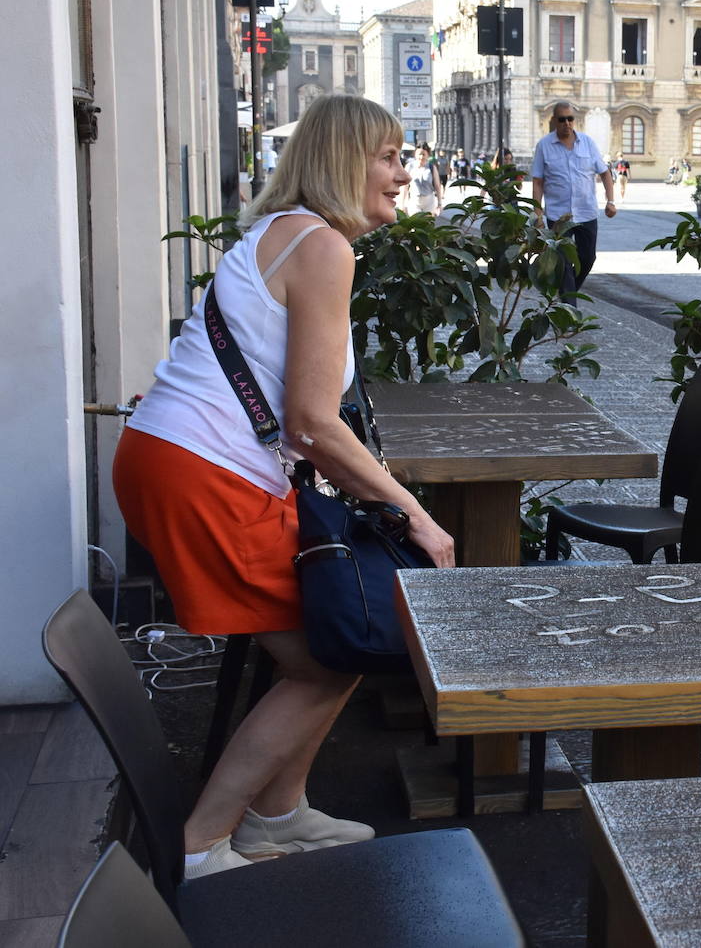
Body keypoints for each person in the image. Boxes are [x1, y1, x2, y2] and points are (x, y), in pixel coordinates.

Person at [113, 94, 456, 880]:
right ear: (342, 160)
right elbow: (311, 421)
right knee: (329, 656)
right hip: (206, 473)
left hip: (174, 458)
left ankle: (280, 811)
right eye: (389, 156)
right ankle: (200, 842)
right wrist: (415, 517)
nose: (404, 174)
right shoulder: (325, 247)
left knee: (339, 638)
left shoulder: (281, 232)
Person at [531, 101, 617, 302]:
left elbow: (605, 173)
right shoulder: (544, 146)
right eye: (562, 119)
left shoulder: (587, 143)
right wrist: (538, 214)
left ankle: (566, 293)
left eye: (570, 119)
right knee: (563, 260)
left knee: (587, 259)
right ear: (554, 121)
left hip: (586, 213)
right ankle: (569, 309)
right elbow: (538, 182)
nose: (567, 123)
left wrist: (611, 201)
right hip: (558, 216)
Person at [403, 144, 442, 216]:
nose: (421, 157)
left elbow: (437, 186)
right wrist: (403, 203)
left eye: (424, 154)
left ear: (428, 155)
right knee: (415, 224)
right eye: (419, 154)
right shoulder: (409, 167)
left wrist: (439, 203)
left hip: (429, 202)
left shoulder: (431, 167)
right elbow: (405, 187)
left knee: (427, 225)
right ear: (415, 154)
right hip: (414, 202)